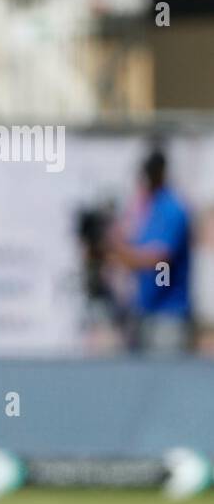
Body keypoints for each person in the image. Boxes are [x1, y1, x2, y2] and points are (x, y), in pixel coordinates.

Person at [109, 147, 192, 354]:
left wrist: (123, 253)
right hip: (145, 312)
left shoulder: (172, 208)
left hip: (168, 317)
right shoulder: (148, 208)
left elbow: (159, 259)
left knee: (166, 381)